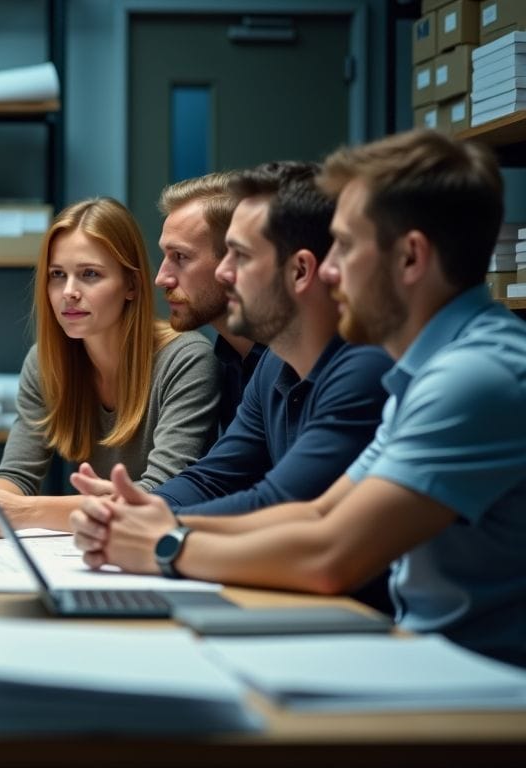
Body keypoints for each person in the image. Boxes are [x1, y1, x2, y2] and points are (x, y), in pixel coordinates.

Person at [72, 130, 526, 666]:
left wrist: (164, 545)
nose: (330, 271)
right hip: (432, 658)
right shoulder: (429, 368)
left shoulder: (474, 376)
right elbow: (315, 516)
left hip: (483, 688)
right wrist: (155, 522)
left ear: (410, 259)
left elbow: (331, 554)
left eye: (348, 247)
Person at [72, 162, 391, 516]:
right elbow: (213, 478)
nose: (226, 272)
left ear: (300, 270)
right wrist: (138, 507)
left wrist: (155, 526)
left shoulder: (365, 366)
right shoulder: (273, 364)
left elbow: (282, 504)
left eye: (240, 255)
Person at [0, 197, 219, 537]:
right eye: (57, 275)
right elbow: (17, 475)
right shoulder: (45, 363)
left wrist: (24, 511)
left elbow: (159, 497)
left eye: (90, 275)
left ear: (131, 284)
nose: (69, 292)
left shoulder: (187, 359)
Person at [154, 173, 266, 433]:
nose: (161, 278)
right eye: (165, 256)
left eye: (180, 256)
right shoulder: (225, 362)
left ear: (235, 259)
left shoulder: (292, 363)